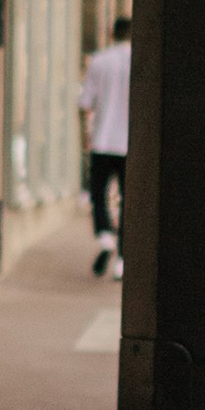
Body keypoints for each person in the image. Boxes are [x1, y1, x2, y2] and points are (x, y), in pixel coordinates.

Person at [81, 14, 131, 277]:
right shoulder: (140, 60)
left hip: (102, 140)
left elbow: (85, 103)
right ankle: (123, 260)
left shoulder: (99, 61)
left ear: (113, 34)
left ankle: (105, 237)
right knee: (128, 201)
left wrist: (84, 137)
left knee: (98, 195)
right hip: (129, 144)